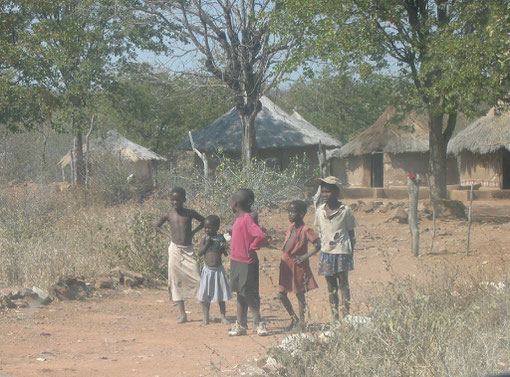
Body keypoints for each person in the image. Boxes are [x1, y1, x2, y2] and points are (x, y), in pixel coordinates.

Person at [155, 186, 204, 323]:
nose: (175, 203)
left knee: (198, 279)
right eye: (173, 200)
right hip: (175, 249)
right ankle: (183, 314)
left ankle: (206, 313)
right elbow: (157, 225)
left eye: (178, 200)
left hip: (188, 249)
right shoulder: (169, 214)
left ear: (184, 200)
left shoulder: (189, 213)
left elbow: (204, 221)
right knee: (176, 281)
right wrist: (167, 234)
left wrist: (194, 232)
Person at [314, 176, 357, 320]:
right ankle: (335, 316)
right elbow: (321, 231)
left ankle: (346, 315)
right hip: (326, 252)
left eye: (328, 192)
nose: (325, 195)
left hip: (342, 252)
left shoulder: (345, 210)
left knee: (343, 283)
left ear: (336, 192)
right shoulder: (319, 211)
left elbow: (351, 234)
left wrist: (351, 253)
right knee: (330, 286)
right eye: (323, 192)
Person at [228, 188, 268, 336]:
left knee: (248, 293)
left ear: (235, 203)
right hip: (236, 260)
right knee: (240, 292)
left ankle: (258, 323)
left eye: (231, 201)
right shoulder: (238, 219)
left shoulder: (246, 219)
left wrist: (251, 248)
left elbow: (260, 236)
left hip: (247, 261)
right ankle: (241, 324)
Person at [279, 200, 320, 331]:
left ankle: (302, 322)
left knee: (299, 293)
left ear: (301, 214)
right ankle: (294, 319)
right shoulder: (291, 228)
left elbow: (318, 245)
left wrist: (304, 256)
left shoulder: (306, 230)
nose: (290, 215)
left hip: (297, 265)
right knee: (281, 294)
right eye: (289, 212)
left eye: (293, 212)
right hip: (286, 263)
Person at [197, 215, 233, 325]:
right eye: (206, 227)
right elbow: (199, 253)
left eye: (210, 228)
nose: (207, 230)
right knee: (205, 295)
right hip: (207, 271)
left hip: (218, 270)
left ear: (216, 227)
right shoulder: (205, 239)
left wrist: (224, 247)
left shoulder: (220, 238)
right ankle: (206, 317)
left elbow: (225, 254)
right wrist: (207, 244)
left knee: (221, 295)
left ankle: (223, 316)